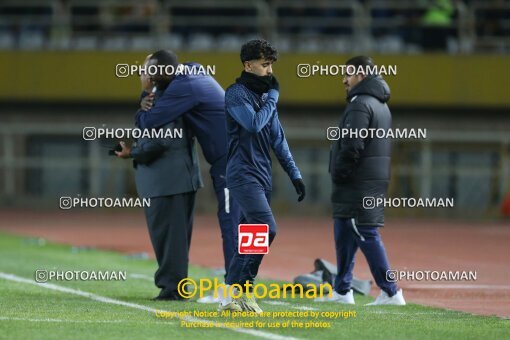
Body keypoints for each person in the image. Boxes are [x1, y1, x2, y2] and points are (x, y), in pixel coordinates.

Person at [135, 51, 240, 303]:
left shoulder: (185, 86)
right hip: (237, 157)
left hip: (232, 161)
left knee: (232, 225)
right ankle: (241, 285)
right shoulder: (192, 74)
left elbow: (149, 122)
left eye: (147, 70)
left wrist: (144, 95)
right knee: (244, 223)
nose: (143, 74)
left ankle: (235, 290)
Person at [219, 39, 306, 313]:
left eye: (271, 65)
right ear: (248, 65)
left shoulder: (266, 98)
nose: (270, 71)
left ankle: (233, 295)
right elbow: (254, 125)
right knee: (268, 228)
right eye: (265, 65)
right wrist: (273, 99)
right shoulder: (236, 93)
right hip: (242, 173)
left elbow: (278, 141)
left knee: (250, 236)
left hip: (262, 175)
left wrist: (295, 175)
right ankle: (244, 284)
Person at [317, 56, 405, 305]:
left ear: (362, 75)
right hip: (366, 180)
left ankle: (391, 291)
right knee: (344, 231)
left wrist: (341, 172)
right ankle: (342, 290)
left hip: (358, 182)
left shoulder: (360, 104)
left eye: (348, 74)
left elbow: (353, 145)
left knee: (365, 231)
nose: (343, 79)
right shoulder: (378, 104)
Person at [116, 51, 203, 301]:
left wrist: (133, 151)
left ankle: (173, 289)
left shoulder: (166, 99)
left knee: (170, 237)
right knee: (170, 237)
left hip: (170, 180)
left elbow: (163, 139)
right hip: (172, 179)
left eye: (145, 69)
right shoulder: (161, 97)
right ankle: (172, 285)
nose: (141, 73)